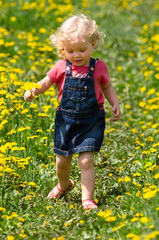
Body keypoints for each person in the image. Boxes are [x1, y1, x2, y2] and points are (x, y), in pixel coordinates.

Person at [24, 14, 120, 209]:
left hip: (91, 120)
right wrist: (33, 90)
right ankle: (63, 184)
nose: (76, 55)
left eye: (82, 50)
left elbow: (107, 86)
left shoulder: (99, 67)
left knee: (86, 161)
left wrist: (115, 102)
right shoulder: (61, 66)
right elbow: (46, 82)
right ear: (62, 49)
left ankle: (87, 198)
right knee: (62, 160)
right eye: (70, 50)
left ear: (93, 44)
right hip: (66, 120)